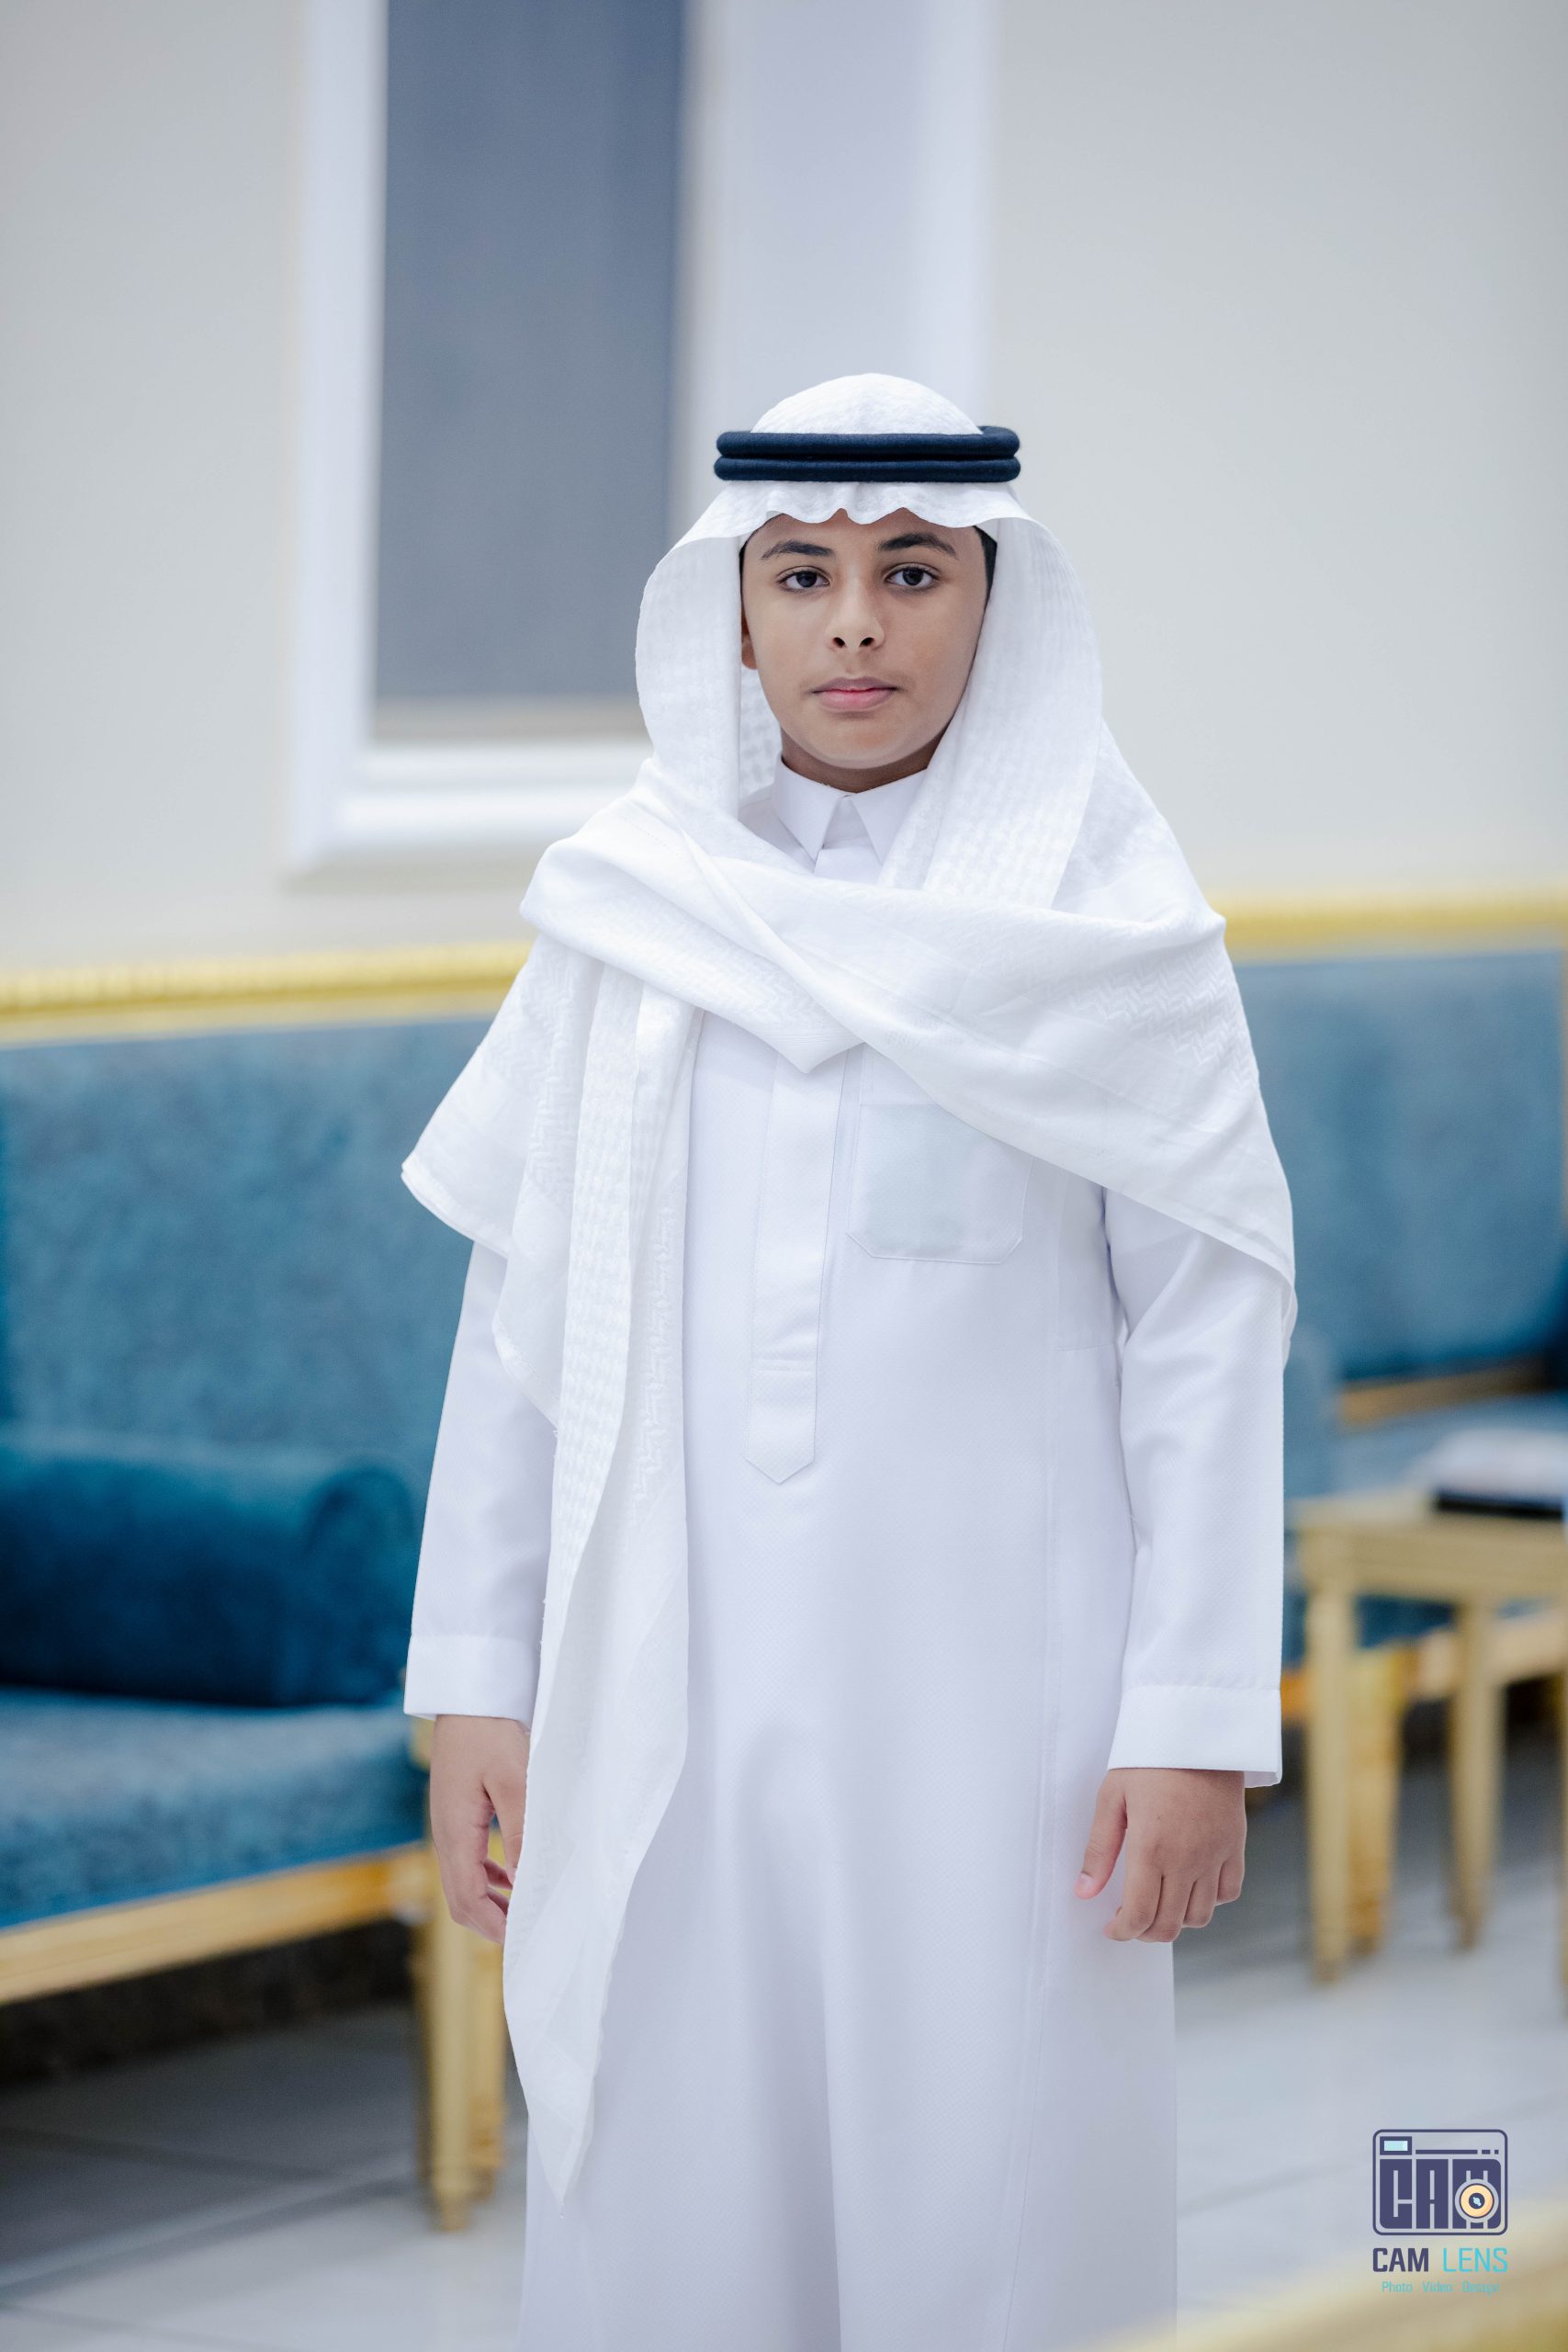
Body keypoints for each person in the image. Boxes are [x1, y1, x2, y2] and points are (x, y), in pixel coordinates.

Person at [400, 372, 1296, 2352]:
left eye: (912, 569)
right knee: (676, 2201)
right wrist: (477, 1674)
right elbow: (520, 1318)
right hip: (665, 1690)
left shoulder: (1109, 932)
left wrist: (1190, 1717)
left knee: (987, 2206)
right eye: (800, 573)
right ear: (731, 611)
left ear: (996, 599)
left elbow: (1208, 1334)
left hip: (1006, 1712)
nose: (854, 624)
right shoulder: (630, 911)